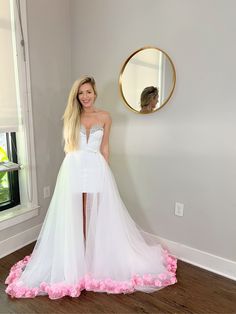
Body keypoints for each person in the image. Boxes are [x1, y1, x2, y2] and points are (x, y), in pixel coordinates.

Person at [5, 76, 177, 299]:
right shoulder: (71, 117)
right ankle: (77, 255)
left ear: (95, 93)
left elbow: (105, 148)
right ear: (76, 97)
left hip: (96, 167)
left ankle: (94, 255)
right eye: (81, 93)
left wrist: (106, 173)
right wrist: (70, 172)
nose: (85, 96)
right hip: (73, 168)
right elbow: (69, 148)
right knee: (75, 211)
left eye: (88, 92)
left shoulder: (105, 117)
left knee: (97, 211)